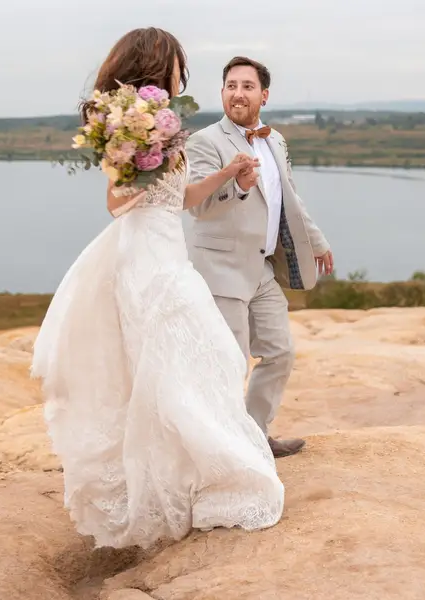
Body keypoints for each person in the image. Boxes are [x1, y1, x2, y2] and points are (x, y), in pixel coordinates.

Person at [30, 28, 284, 550]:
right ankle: (178, 479)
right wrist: (144, 160)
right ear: (154, 64)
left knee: (193, 363)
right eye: (176, 64)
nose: (181, 74)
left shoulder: (163, 123)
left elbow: (181, 199)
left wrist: (229, 173)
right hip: (146, 261)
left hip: (170, 251)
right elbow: (116, 203)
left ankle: (184, 475)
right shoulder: (135, 123)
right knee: (185, 363)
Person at [185, 56, 333, 458]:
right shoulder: (204, 142)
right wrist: (240, 186)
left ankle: (254, 435)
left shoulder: (276, 140)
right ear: (222, 93)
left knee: (280, 352)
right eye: (231, 85)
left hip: (261, 267)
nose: (238, 93)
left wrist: (316, 242)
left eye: (247, 86)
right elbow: (197, 206)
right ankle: (224, 448)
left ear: (263, 95)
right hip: (220, 268)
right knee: (230, 364)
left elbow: (290, 198)